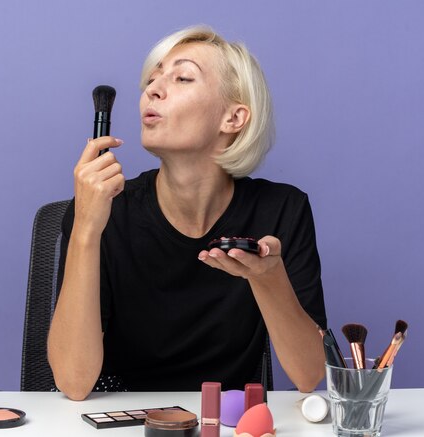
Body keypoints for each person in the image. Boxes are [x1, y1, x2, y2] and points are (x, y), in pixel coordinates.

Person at [48, 25, 327, 401]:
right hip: (120, 421)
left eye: (182, 77)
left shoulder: (282, 210)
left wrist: (269, 277)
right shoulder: (106, 211)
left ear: (233, 118)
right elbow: (73, 382)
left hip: (226, 422)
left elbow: (309, 376)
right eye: (151, 79)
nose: (153, 89)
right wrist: (86, 228)